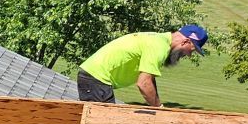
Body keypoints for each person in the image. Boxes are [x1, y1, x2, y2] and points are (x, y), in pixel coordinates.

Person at [76, 25, 208, 106]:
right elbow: (144, 83)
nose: (188, 55)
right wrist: (159, 109)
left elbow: (150, 78)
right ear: (185, 41)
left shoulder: (159, 40)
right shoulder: (159, 47)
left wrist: (157, 104)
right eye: (191, 50)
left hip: (96, 79)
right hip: (96, 79)